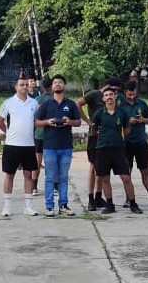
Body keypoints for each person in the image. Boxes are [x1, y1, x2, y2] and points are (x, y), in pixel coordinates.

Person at [35, 74, 82, 216]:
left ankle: (64, 205)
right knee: (49, 177)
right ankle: (49, 206)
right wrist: (47, 122)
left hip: (66, 146)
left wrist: (69, 122)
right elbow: (36, 122)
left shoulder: (70, 104)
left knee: (63, 177)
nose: (57, 85)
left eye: (60, 82)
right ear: (52, 86)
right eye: (55, 83)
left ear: (64, 85)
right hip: (49, 146)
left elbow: (78, 122)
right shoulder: (46, 104)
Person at [92, 85, 142, 214]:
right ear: (103, 99)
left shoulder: (122, 113)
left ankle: (133, 203)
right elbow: (94, 131)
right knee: (104, 178)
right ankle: (110, 204)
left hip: (118, 149)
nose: (109, 97)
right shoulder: (98, 113)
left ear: (115, 97)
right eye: (106, 95)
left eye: (111, 95)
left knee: (126, 177)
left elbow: (127, 130)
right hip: (102, 148)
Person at [0, 74, 40, 217]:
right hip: (12, 144)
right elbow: (0, 120)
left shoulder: (34, 103)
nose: (24, 87)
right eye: (21, 85)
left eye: (26, 84)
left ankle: (29, 206)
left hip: (28, 145)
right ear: (16, 87)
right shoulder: (8, 103)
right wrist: (8, 132)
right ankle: (7, 207)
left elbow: (37, 121)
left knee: (28, 174)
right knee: (9, 175)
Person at [77, 76, 123, 211]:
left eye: (115, 92)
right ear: (107, 86)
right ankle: (91, 198)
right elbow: (77, 103)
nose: (113, 94)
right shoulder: (94, 94)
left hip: (107, 138)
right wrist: (87, 120)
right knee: (93, 167)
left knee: (102, 169)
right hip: (94, 135)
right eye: (113, 90)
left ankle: (98, 196)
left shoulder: (113, 99)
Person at [31, 76, 52, 195]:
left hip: (38, 133)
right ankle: (54, 187)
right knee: (51, 161)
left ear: (43, 87)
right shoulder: (55, 99)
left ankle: (34, 187)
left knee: (37, 161)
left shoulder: (37, 100)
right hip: (51, 134)